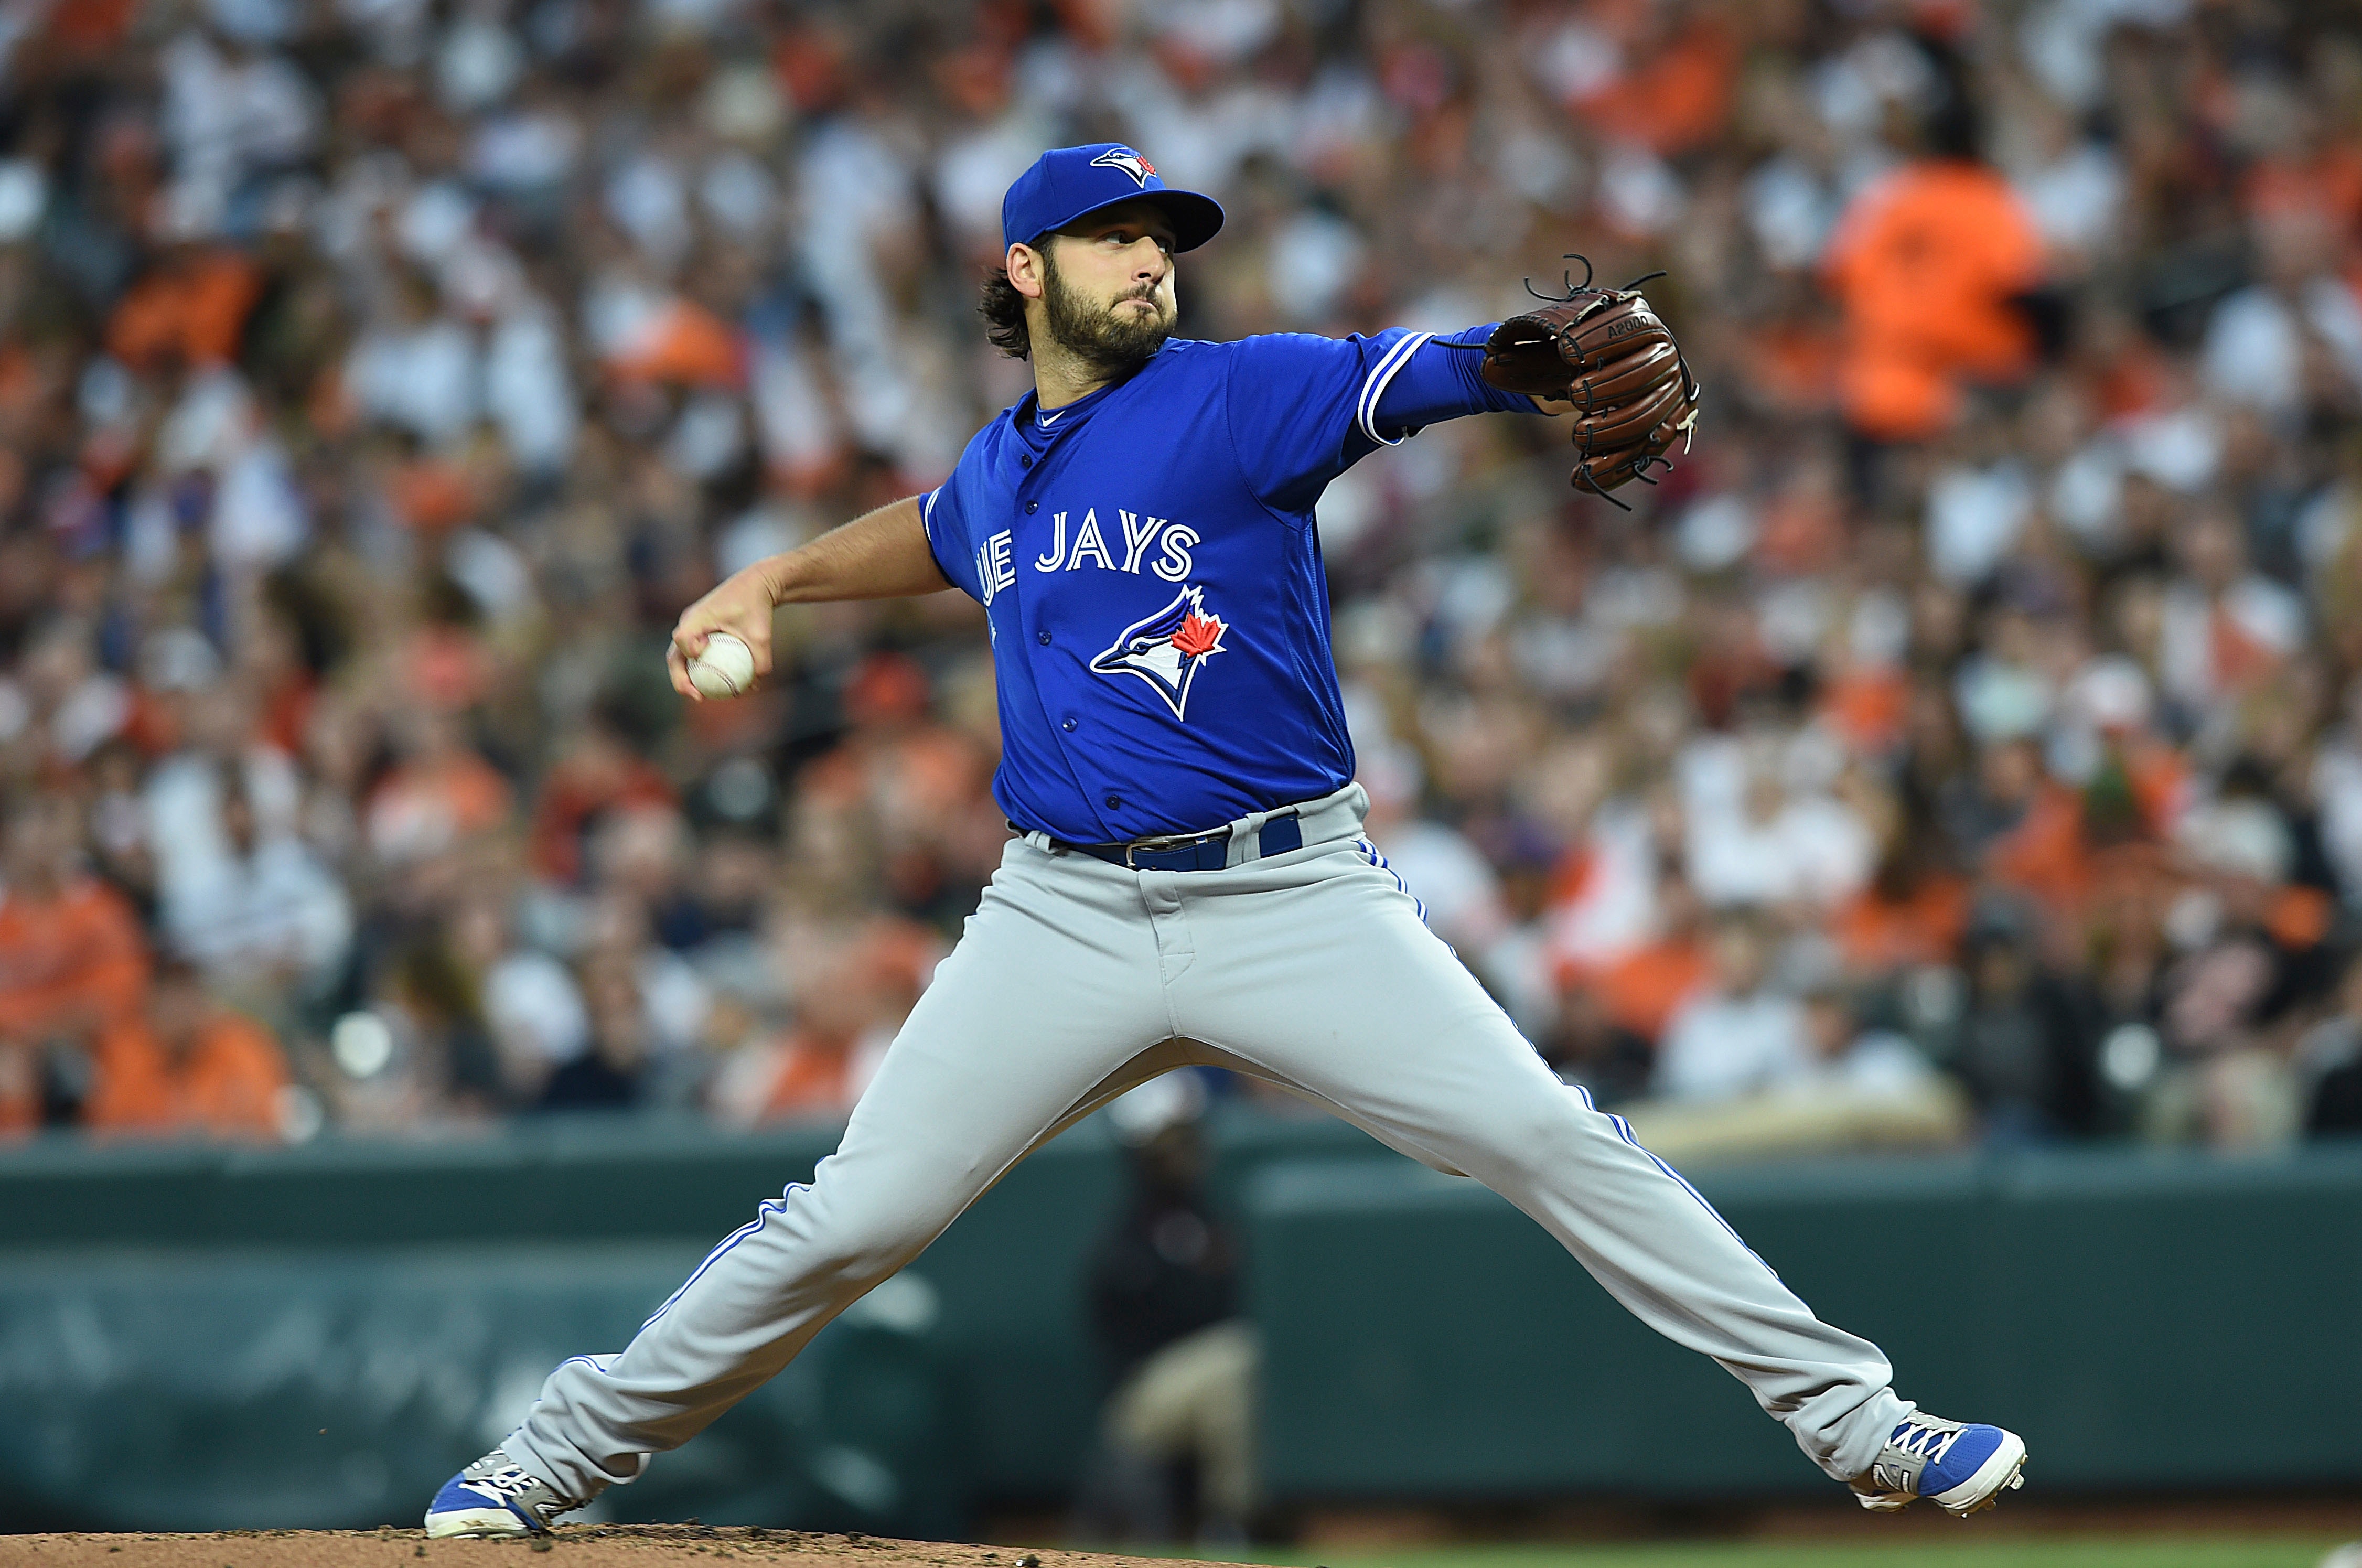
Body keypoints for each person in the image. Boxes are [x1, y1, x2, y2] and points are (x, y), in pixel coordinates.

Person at [425, 144, 2026, 1539]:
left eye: (1164, 238)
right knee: (855, 1218)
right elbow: (925, 533)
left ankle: (1855, 1422)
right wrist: (770, 580)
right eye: (1119, 236)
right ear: (1028, 270)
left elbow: (1418, 372)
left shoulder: (1239, 392)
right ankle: (547, 1465)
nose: (1151, 260)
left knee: (1546, 1138)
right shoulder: (1005, 468)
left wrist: (1520, 361)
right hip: (1060, 917)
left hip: (1292, 897)